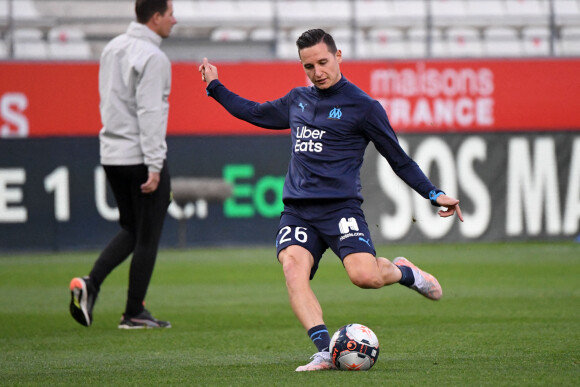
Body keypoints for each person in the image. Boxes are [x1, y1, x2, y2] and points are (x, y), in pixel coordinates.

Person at [199, 29, 464, 370]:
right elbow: (254, 112)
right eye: (308, 66)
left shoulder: (364, 107)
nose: (317, 72)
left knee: (364, 277)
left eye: (323, 62)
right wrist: (214, 87)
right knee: (292, 268)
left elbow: (399, 159)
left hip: (341, 209)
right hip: (298, 210)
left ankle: (405, 272)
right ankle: (325, 350)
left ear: (338, 56)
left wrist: (434, 194)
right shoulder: (297, 100)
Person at [69, 0, 177, 329]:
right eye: (171, 13)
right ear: (156, 17)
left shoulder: (113, 47)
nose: (175, 19)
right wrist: (155, 164)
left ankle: (91, 283)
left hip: (112, 153)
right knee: (148, 234)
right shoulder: (153, 57)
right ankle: (133, 312)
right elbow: (149, 113)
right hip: (140, 155)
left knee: (132, 228)